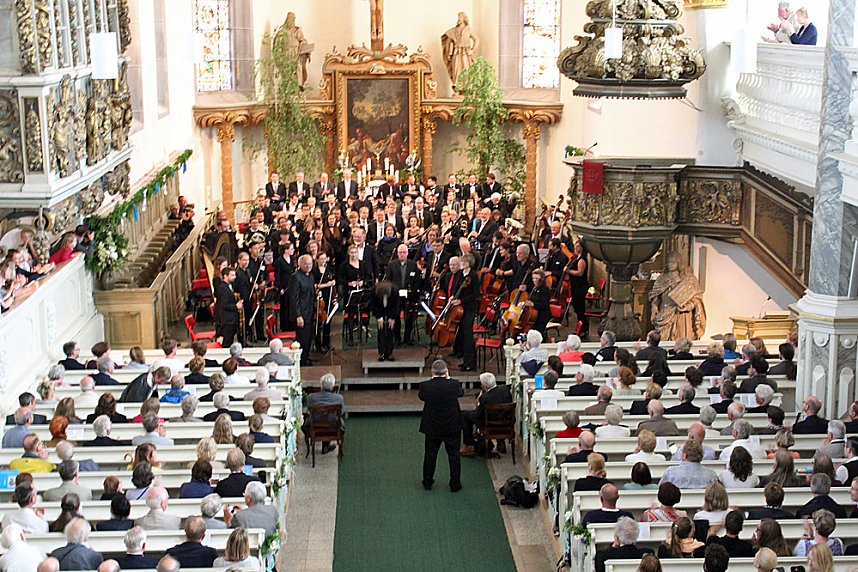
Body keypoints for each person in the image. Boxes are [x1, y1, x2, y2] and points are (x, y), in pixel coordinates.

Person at [419, 359, 464, 492]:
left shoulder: (425, 386)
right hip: (452, 425)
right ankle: (455, 484)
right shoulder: (453, 384)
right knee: (454, 455)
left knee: (430, 454)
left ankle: (427, 482)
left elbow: (421, 396)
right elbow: (461, 393)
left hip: (432, 426)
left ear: (432, 372)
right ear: (446, 372)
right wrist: (448, 378)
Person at [649, 252, 706, 340]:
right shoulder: (661, 279)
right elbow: (656, 296)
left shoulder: (688, 279)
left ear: (679, 263)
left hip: (682, 315)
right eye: (668, 262)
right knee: (664, 338)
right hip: (665, 311)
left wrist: (688, 306)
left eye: (673, 262)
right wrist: (654, 308)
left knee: (681, 339)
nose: (670, 264)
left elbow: (697, 298)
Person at [460, 372, 512, 456]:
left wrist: (478, 401)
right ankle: (500, 441)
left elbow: (478, 414)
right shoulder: (505, 389)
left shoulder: (485, 397)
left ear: (486, 387)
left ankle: (469, 445)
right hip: (506, 422)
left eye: (481, 384)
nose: (480, 385)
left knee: (465, 415)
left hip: (489, 424)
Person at [303, 373, 345, 455]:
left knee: (305, 425)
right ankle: (326, 446)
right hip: (334, 426)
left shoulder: (311, 397)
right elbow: (342, 412)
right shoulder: (339, 398)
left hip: (315, 426)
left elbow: (308, 411)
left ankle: (314, 441)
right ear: (332, 386)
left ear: (321, 385)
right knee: (332, 420)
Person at [289, 254, 316, 366]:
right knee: (302, 338)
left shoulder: (310, 276)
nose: (308, 266)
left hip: (309, 311)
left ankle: (306, 356)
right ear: (300, 264)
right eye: (306, 264)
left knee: (308, 336)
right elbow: (293, 298)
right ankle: (301, 360)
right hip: (301, 313)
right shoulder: (295, 277)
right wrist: (298, 315)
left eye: (310, 263)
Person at [372, 280, 399, 362]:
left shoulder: (394, 290)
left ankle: (390, 352)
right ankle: (382, 353)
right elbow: (374, 305)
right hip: (380, 309)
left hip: (390, 309)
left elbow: (396, 305)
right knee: (381, 330)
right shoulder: (374, 291)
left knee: (391, 329)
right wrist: (379, 317)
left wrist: (392, 318)